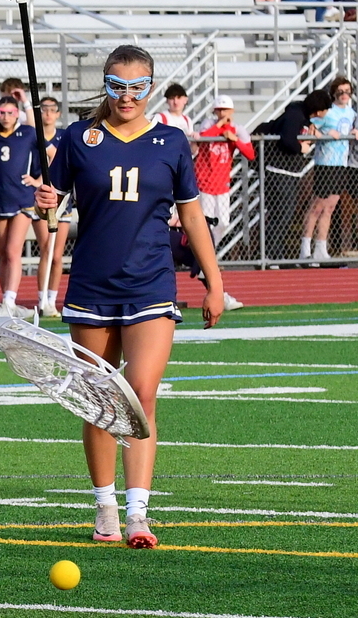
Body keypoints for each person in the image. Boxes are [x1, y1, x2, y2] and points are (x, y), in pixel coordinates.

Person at [36, 45, 223, 549]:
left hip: (151, 282)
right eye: (116, 86)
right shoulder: (78, 137)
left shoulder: (171, 140)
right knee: (100, 400)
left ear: (150, 88)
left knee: (140, 393)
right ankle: (105, 509)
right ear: (106, 85)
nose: (126, 96)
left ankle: (138, 513)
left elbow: (191, 215)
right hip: (93, 284)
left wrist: (215, 282)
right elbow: (50, 214)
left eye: (137, 87)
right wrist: (46, 203)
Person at [0, 95, 45, 317]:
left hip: (22, 199)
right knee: (2, 252)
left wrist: (38, 181)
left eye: (10, 113)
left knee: (12, 250)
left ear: (17, 114)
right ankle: (6, 301)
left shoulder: (28, 133)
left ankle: (10, 300)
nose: (6, 117)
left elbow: (51, 154)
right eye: (2, 113)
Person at [189, 95, 250, 310]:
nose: (222, 113)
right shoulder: (208, 124)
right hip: (205, 182)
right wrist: (220, 126)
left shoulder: (238, 129)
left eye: (225, 110)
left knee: (223, 222)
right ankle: (204, 257)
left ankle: (208, 253)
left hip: (222, 184)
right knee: (204, 224)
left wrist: (233, 138)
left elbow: (250, 152)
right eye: (219, 110)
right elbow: (204, 136)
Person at [263, 89, 330, 259]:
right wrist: (301, 148)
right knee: (281, 214)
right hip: (279, 171)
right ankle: (271, 256)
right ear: (319, 110)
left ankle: (276, 255)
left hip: (290, 172)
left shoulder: (303, 117)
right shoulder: (294, 115)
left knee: (285, 214)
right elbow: (288, 138)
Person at [300, 77, 353, 261]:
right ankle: (305, 248)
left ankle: (321, 248)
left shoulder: (351, 113)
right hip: (325, 163)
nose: (344, 95)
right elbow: (310, 126)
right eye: (340, 92)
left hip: (341, 164)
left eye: (348, 91)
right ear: (334, 93)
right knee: (317, 206)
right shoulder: (328, 112)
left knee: (330, 207)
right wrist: (323, 133)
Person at [37, 96, 68, 318]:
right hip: (43, 200)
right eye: (44, 109)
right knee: (46, 250)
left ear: (58, 113)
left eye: (52, 109)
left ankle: (51, 300)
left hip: (63, 201)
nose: (48, 113)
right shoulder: (33, 136)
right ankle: (41, 299)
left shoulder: (64, 137)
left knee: (57, 255)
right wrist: (35, 180)